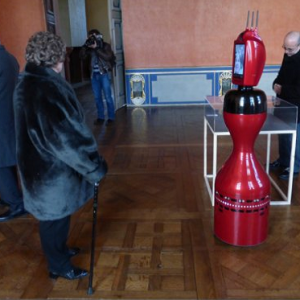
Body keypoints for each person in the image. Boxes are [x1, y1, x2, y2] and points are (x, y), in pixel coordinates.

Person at [13, 31, 108, 280]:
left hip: (37, 166)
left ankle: (60, 251)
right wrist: (94, 168)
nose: (65, 59)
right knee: (54, 220)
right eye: (62, 55)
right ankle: (58, 265)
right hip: (50, 171)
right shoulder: (46, 87)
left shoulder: (28, 81)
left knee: (57, 218)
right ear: (55, 57)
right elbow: (66, 139)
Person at [0, 40, 26, 221]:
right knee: (8, 159)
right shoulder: (10, 58)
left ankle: (16, 204)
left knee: (1, 165)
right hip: (10, 115)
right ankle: (9, 197)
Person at [270, 31, 300, 180]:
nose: (286, 52)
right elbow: (281, 75)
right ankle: (283, 161)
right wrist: (275, 83)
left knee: (294, 138)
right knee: (282, 135)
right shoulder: (287, 56)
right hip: (283, 103)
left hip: (296, 107)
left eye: (290, 49)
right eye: (285, 48)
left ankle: (294, 166)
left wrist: (282, 89)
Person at [79, 29, 115, 125]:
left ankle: (111, 117)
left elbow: (108, 57)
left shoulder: (105, 45)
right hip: (93, 75)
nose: (93, 38)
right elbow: (81, 57)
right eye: (91, 36)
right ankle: (100, 117)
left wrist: (96, 48)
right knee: (97, 97)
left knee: (107, 97)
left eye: (94, 36)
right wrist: (85, 45)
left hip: (103, 74)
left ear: (99, 36)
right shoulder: (88, 47)